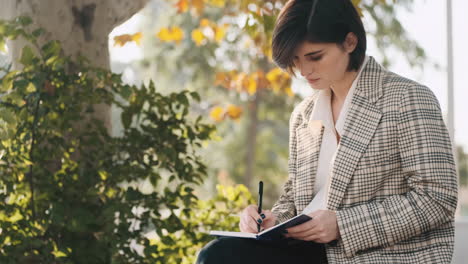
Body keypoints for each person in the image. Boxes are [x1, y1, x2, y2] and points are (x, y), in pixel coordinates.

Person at [196, 0, 458, 263]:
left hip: (382, 254)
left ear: (350, 42)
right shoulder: (303, 115)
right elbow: (295, 197)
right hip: (309, 251)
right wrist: (272, 220)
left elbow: (437, 199)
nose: (303, 71)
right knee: (218, 254)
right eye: (296, 60)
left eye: (315, 57)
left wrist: (342, 224)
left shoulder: (407, 98)